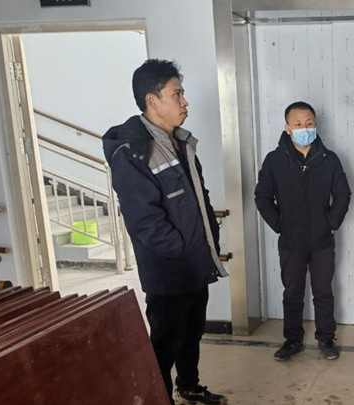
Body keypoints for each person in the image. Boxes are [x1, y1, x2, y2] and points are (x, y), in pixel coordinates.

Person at [103, 59, 228, 405]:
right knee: (165, 340)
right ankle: (158, 397)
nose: (185, 102)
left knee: (191, 332)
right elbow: (144, 220)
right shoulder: (133, 152)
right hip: (169, 268)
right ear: (152, 100)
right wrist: (182, 250)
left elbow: (199, 199)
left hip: (195, 262)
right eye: (177, 94)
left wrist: (207, 243)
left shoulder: (180, 142)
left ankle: (189, 386)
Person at [255, 101, 351, 362]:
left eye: (309, 123)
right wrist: (279, 224)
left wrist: (331, 222)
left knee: (323, 291)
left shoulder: (329, 159)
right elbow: (262, 196)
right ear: (288, 128)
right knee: (292, 292)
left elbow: (343, 194)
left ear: (316, 125)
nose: (304, 128)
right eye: (298, 124)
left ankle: (326, 338)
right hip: (291, 241)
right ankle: (292, 340)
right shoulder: (275, 160)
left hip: (322, 241)